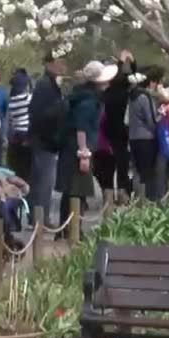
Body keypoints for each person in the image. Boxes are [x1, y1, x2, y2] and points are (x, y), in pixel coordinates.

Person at [58, 61, 116, 230]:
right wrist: (83, 153)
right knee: (77, 191)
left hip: (74, 148)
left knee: (72, 191)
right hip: (78, 150)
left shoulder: (82, 96)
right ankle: (72, 230)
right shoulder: (88, 102)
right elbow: (81, 128)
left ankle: (68, 229)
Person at [28, 53, 67, 225]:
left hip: (44, 140)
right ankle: (40, 218)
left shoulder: (50, 84)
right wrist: (61, 107)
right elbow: (40, 113)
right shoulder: (45, 85)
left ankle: (36, 216)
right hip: (44, 140)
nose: (63, 66)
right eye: (59, 62)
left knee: (40, 180)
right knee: (44, 181)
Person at [100, 51, 136, 201]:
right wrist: (130, 63)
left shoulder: (106, 94)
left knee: (109, 166)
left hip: (109, 132)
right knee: (122, 163)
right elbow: (132, 78)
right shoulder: (125, 93)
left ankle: (108, 195)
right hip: (122, 131)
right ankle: (123, 192)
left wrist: (123, 64)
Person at [127, 65, 166, 201]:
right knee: (147, 172)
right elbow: (152, 120)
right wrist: (161, 114)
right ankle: (147, 201)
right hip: (146, 139)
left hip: (133, 137)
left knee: (137, 171)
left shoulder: (132, 96)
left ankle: (138, 200)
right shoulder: (145, 97)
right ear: (150, 82)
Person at [5, 69, 33, 184]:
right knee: (27, 167)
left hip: (16, 134)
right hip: (27, 133)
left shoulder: (11, 100)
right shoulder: (28, 98)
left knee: (17, 166)